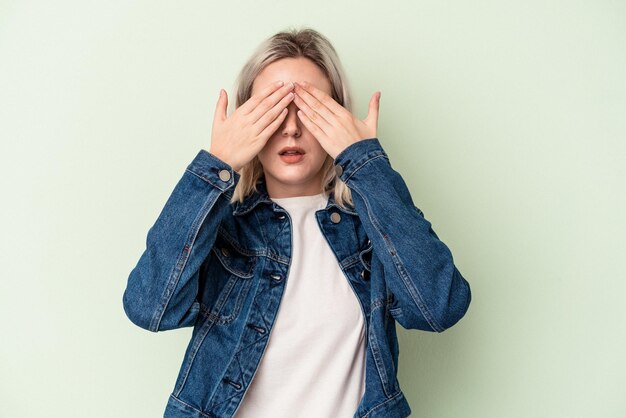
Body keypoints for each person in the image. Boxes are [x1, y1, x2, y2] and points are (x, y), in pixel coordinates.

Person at [122, 27, 472, 418]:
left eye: (309, 108)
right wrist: (217, 164)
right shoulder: (223, 228)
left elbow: (439, 308)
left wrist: (366, 164)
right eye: (272, 108)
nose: (290, 127)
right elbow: (150, 307)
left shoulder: (370, 231)